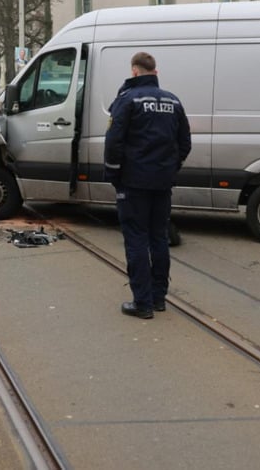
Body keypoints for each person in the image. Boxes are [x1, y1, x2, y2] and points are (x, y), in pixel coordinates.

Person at [105, 52, 191, 319]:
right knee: (158, 238)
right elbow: (185, 143)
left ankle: (142, 302)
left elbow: (114, 142)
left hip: (133, 183)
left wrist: (114, 175)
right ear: (155, 72)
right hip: (162, 182)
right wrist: (169, 168)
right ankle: (158, 298)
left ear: (134, 71)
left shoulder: (127, 100)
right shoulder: (173, 101)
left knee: (136, 239)